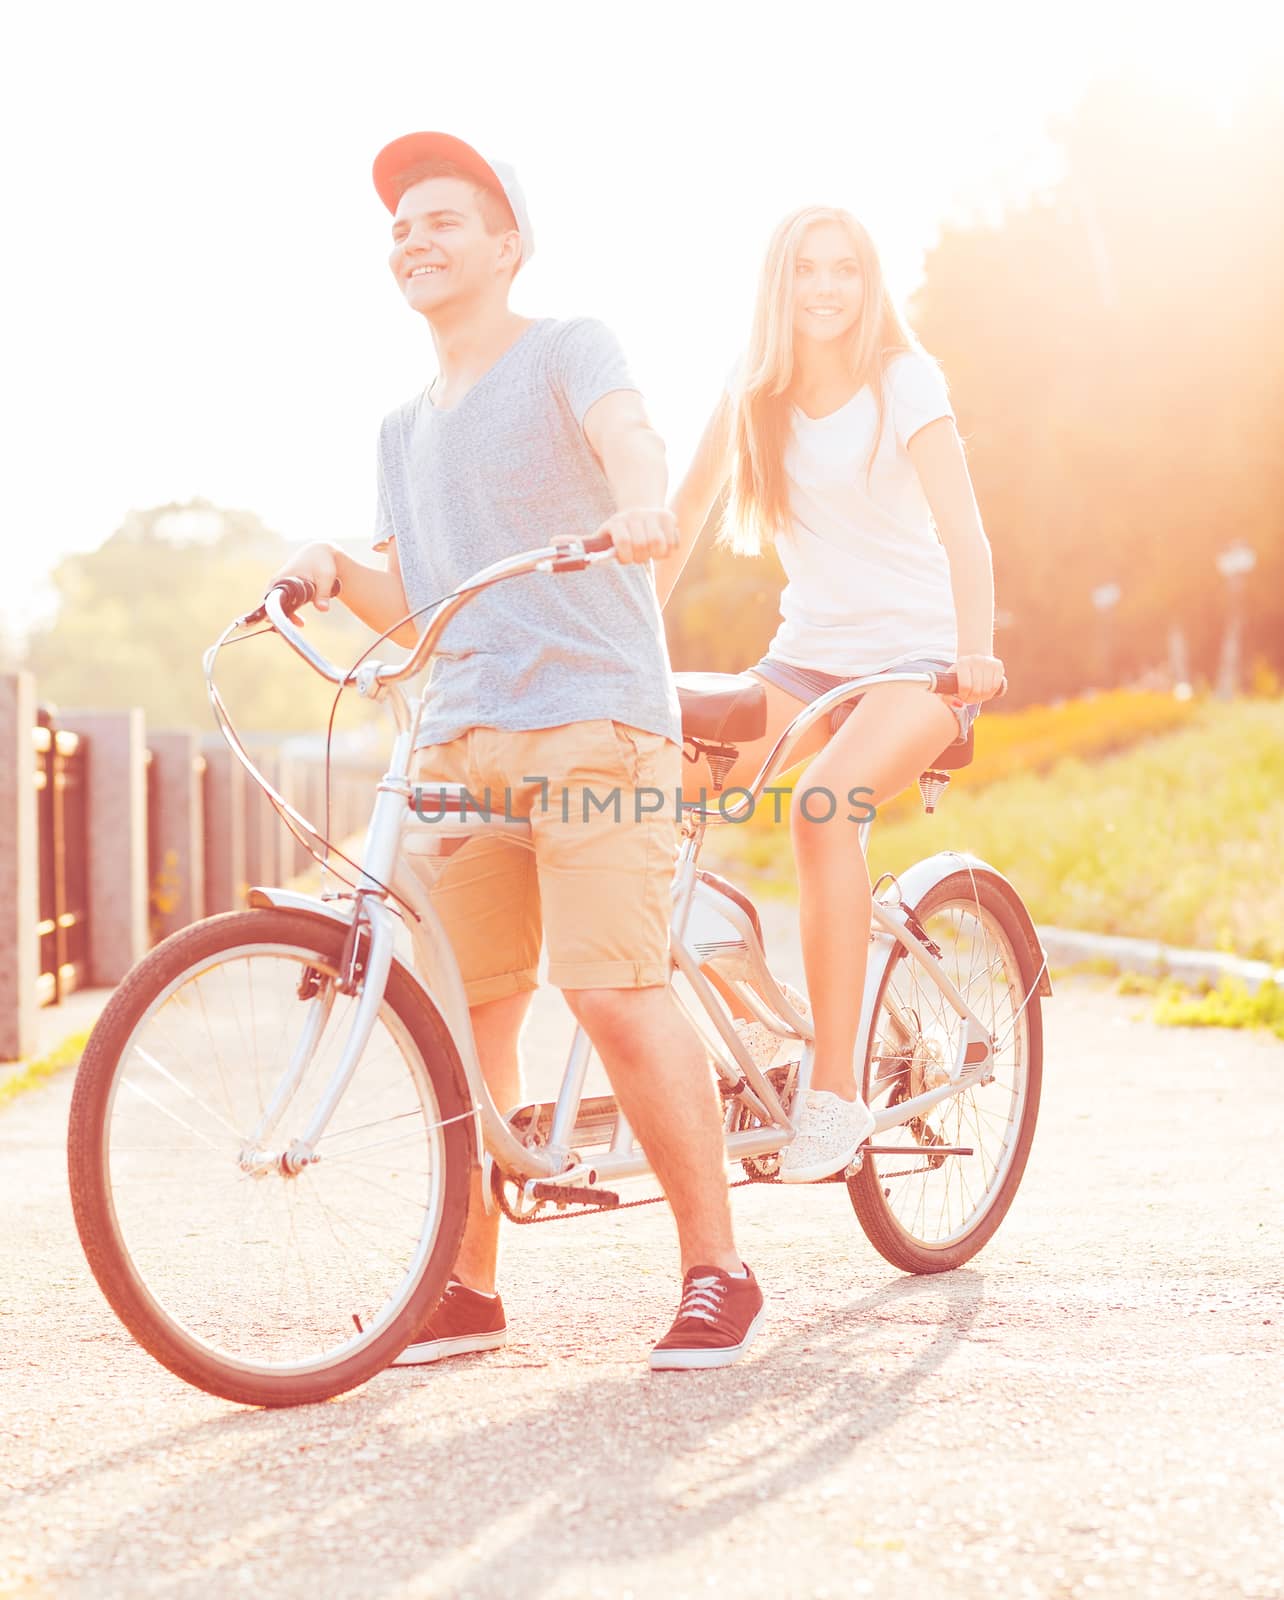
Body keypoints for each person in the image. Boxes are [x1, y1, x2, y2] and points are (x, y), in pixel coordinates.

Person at [270, 131, 762, 1370]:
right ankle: (471, 1287)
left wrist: (641, 500)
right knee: (469, 1016)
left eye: (442, 220)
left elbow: (629, 439)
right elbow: (418, 599)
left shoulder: (567, 348)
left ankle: (720, 1269)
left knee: (609, 985)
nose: (414, 241)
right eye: (401, 229)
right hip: (459, 737)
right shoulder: (399, 428)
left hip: (594, 717)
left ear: (506, 244)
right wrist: (338, 564)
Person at [656, 204, 1005, 1183]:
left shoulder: (904, 378)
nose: (824, 286)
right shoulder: (753, 388)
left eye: (843, 268)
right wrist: (623, 647)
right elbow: (682, 521)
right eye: (807, 268)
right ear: (781, 283)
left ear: (868, 280)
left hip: (919, 659)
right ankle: (772, 1012)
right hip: (807, 654)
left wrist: (973, 654)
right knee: (656, 784)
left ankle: (838, 1097)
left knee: (822, 809)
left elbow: (966, 534)